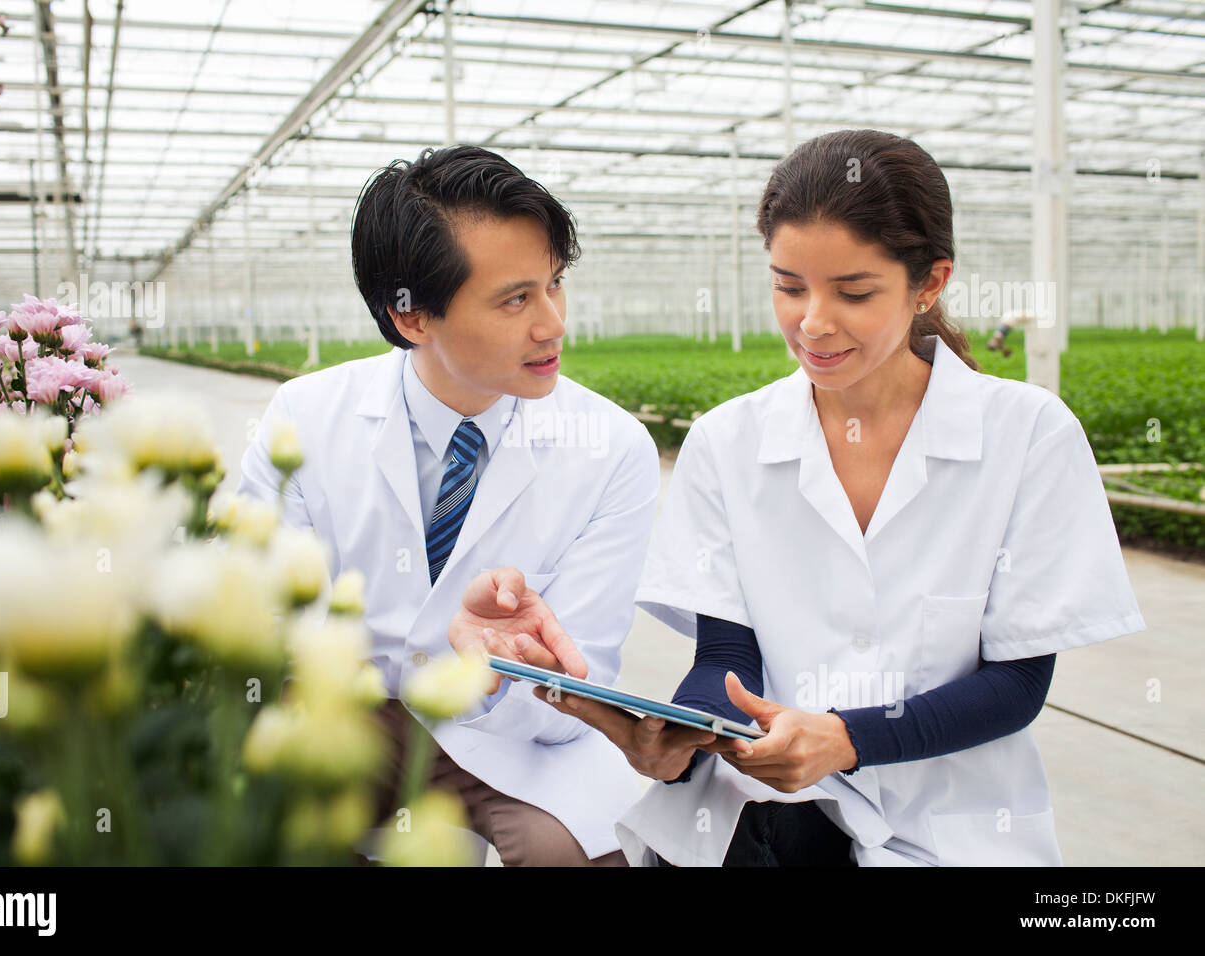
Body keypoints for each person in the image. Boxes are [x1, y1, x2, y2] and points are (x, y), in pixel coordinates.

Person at [455, 129, 1146, 866]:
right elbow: (727, 658)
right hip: (766, 819)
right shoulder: (728, 443)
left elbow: (1016, 683)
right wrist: (684, 735)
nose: (813, 322)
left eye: (854, 292)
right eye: (789, 286)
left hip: (959, 828)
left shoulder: (1029, 435)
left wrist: (847, 739)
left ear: (930, 282)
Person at [238, 145, 659, 866]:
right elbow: (255, 616)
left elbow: (582, 684)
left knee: (572, 854)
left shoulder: (613, 446)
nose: (553, 323)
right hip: (353, 713)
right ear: (412, 319)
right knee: (263, 825)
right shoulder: (304, 418)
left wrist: (509, 667)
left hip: (511, 731)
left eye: (554, 285)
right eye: (515, 299)